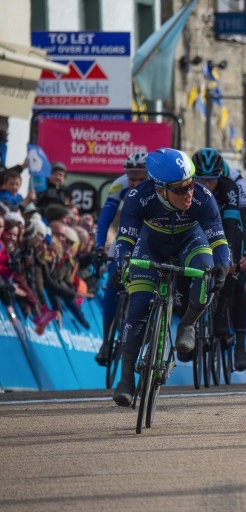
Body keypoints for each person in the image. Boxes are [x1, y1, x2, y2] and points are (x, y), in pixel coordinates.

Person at [111, 148, 231, 407]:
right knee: (139, 304)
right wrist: (121, 264)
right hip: (151, 244)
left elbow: (219, 240)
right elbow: (125, 239)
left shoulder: (203, 197)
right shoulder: (138, 197)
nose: (189, 192)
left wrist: (222, 265)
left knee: (206, 274)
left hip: (190, 240)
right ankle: (126, 378)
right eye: (180, 189)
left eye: (191, 183)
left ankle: (188, 323)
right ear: (160, 189)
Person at [192, 148, 246, 372]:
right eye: (201, 181)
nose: (206, 186)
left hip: (226, 226)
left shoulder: (231, 185)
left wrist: (238, 255)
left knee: (235, 273)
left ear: (219, 177)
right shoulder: (188, 187)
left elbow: (237, 224)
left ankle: (238, 341)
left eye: (211, 181)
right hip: (199, 227)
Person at [94, 151, 148, 366]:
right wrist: (99, 245)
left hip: (151, 237)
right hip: (127, 235)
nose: (135, 183)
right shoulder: (119, 184)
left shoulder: (160, 187)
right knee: (113, 282)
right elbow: (105, 218)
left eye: (141, 179)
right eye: (132, 178)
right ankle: (106, 341)